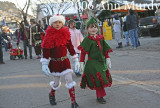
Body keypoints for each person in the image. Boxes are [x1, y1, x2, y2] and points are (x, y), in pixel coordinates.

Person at [40, 14, 80, 108]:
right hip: (54, 63)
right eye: (55, 22)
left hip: (65, 61)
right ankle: (52, 94)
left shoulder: (65, 34)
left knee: (69, 80)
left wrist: (75, 59)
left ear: (62, 23)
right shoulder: (48, 36)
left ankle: (73, 102)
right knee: (56, 83)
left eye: (59, 22)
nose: (57, 24)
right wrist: (44, 64)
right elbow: (46, 51)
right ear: (51, 24)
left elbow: (70, 47)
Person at [78, 17, 113, 104]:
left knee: (103, 78)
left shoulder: (100, 38)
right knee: (99, 79)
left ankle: (99, 95)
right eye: (91, 27)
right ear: (87, 29)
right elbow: (83, 52)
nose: (93, 29)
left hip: (101, 62)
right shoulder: (87, 39)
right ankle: (100, 96)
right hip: (92, 63)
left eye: (95, 27)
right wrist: (81, 63)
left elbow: (105, 49)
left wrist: (107, 58)